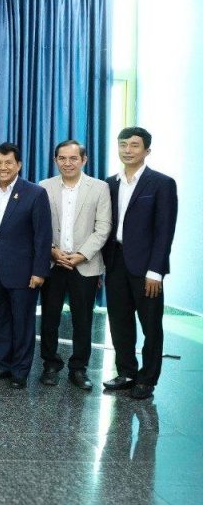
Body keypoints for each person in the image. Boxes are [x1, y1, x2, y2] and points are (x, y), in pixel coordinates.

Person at [102, 127, 178, 400]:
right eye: (123, 144)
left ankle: (147, 379)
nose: (127, 150)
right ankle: (126, 372)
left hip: (146, 267)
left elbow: (164, 230)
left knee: (150, 325)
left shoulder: (161, 183)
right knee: (119, 321)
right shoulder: (110, 184)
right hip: (115, 262)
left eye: (134, 145)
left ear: (147, 150)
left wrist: (156, 271)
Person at [0, 143, 51, 389]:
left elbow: (42, 236)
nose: (2, 167)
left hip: (23, 272)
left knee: (22, 323)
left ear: (19, 165)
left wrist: (39, 271)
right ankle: (3, 364)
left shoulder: (35, 193)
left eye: (8, 163)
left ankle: (21, 370)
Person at [38, 140, 111, 390]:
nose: (67, 163)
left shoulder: (99, 188)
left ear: (83, 160)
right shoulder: (44, 187)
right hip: (53, 262)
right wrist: (51, 251)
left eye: (73, 158)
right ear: (55, 160)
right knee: (49, 318)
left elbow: (103, 227)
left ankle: (78, 369)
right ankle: (50, 364)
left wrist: (82, 254)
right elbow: (39, 225)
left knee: (83, 319)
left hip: (85, 264)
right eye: (62, 158)